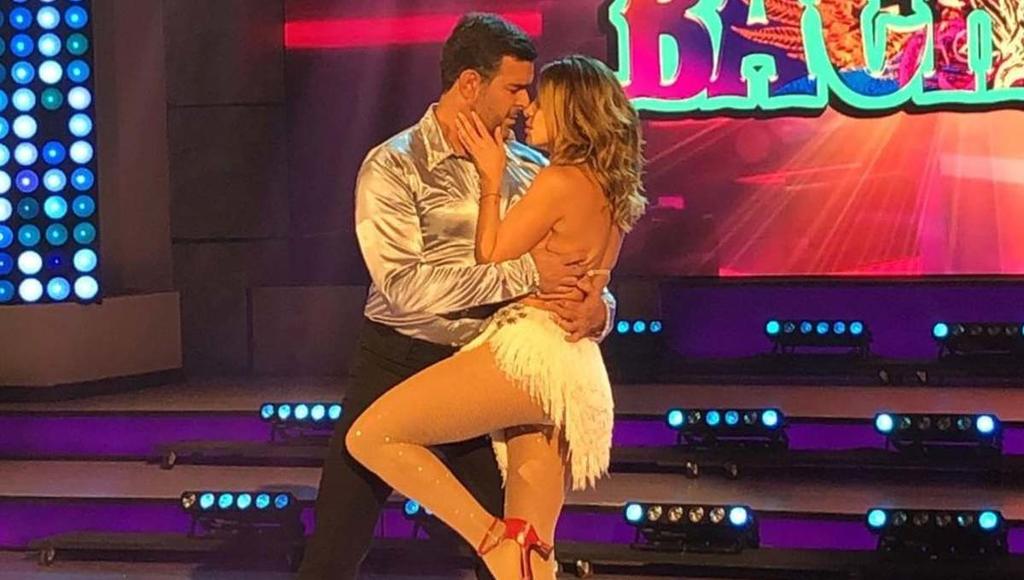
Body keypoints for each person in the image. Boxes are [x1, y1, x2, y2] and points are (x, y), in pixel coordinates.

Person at [297, 14, 616, 580]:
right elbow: (404, 287)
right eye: (514, 88)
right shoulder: (394, 164)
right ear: (470, 83)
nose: (525, 103)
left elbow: (576, 263)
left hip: (489, 366)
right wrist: (524, 275)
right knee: (335, 547)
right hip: (398, 358)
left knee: (514, 553)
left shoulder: (533, 167)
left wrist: (601, 310)